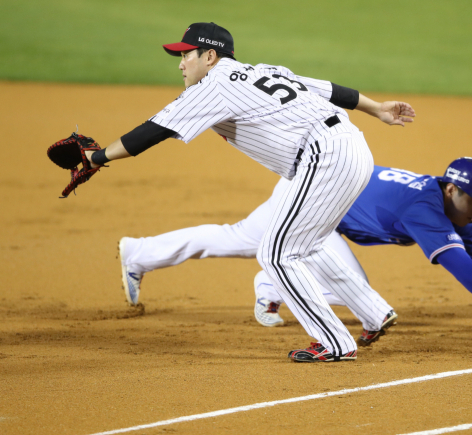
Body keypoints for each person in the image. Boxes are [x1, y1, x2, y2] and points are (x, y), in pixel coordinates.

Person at [86, 22, 416, 363]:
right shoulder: (263, 72)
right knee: (307, 244)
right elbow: (331, 91)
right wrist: (376, 108)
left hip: (324, 155)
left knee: (276, 253)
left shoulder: (214, 84)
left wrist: (96, 158)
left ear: (210, 56)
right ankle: (374, 313)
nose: (181, 64)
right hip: (350, 148)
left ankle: (334, 342)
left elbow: (151, 132)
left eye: (186, 55)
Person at [119, 158, 472, 332]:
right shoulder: (426, 209)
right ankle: (272, 280)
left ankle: (138, 252)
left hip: (315, 200)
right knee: (353, 292)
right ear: (453, 190)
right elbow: (460, 266)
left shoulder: (463, 210)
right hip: (312, 202)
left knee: (232, 239)